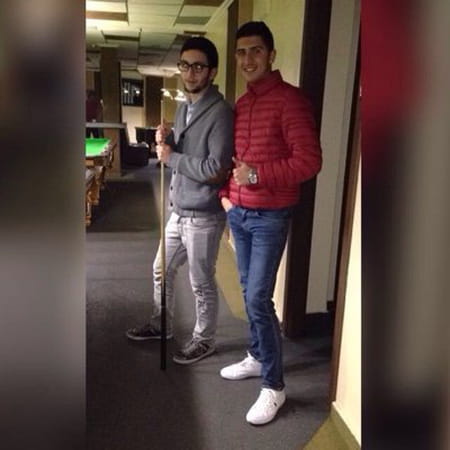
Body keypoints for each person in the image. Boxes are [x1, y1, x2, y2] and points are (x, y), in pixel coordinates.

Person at [219, 21, 322, 425]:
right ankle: (257, 354)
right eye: (241, 52)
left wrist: (258, 176)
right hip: (240, 213)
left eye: (256, 50)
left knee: (258, 299)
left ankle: (274, 386)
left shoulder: (290, 101)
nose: (248, 59)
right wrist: (226, 194)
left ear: (271, 54)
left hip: (270, 216)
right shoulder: (243, 103)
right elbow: (234, 159)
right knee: (248, 291)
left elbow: (309, 161)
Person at [126, 37, 234, 365]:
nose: (190, 73)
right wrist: (168, 138)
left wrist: (171, 157)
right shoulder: (185, 106)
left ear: (212, 72)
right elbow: (185, 148)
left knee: (200, 282)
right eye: (185, 65)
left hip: (204, 215)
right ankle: (162, 324)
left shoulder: (221, 113)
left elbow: (216, 169)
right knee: (161, 269)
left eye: (198, 66)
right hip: (179, 209)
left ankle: (204, 340)